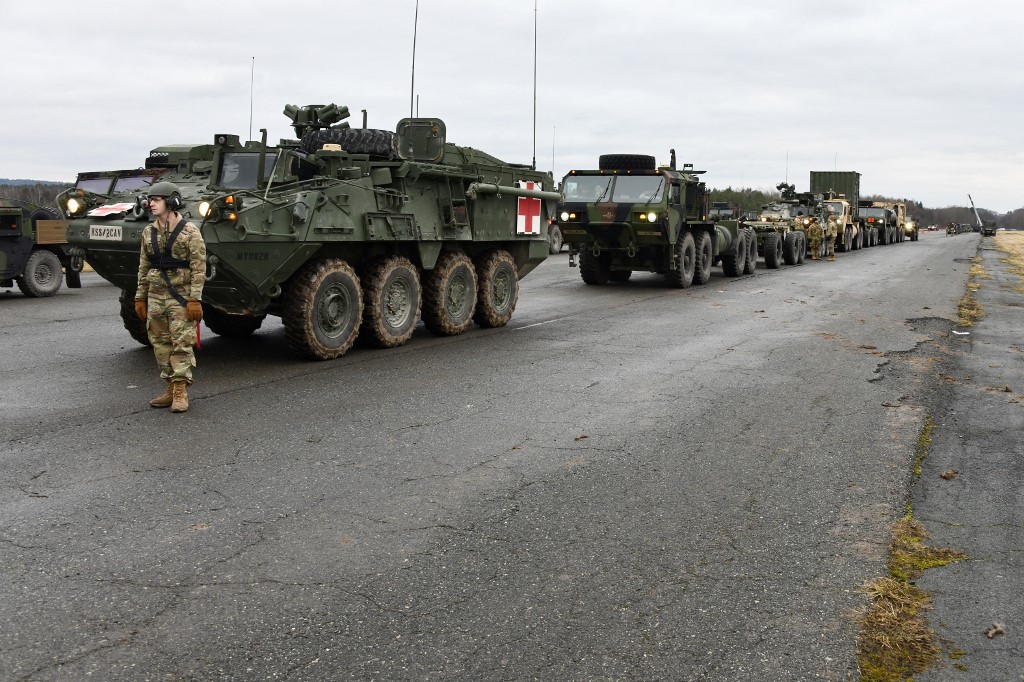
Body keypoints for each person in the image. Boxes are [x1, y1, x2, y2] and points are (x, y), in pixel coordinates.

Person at [134, 181, 206, 413]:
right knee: (160, 344)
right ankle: (169, 385)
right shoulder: (148, 232)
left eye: (156, 200)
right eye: (150, 199)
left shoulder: (190, 231)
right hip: (156, 296)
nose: (151, 203)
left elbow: (198, 267)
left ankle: (180, 391)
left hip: (181, 297)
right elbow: (144, 267)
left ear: (172, 202)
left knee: (181, 344)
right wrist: (140, 296)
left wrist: (195, 299)